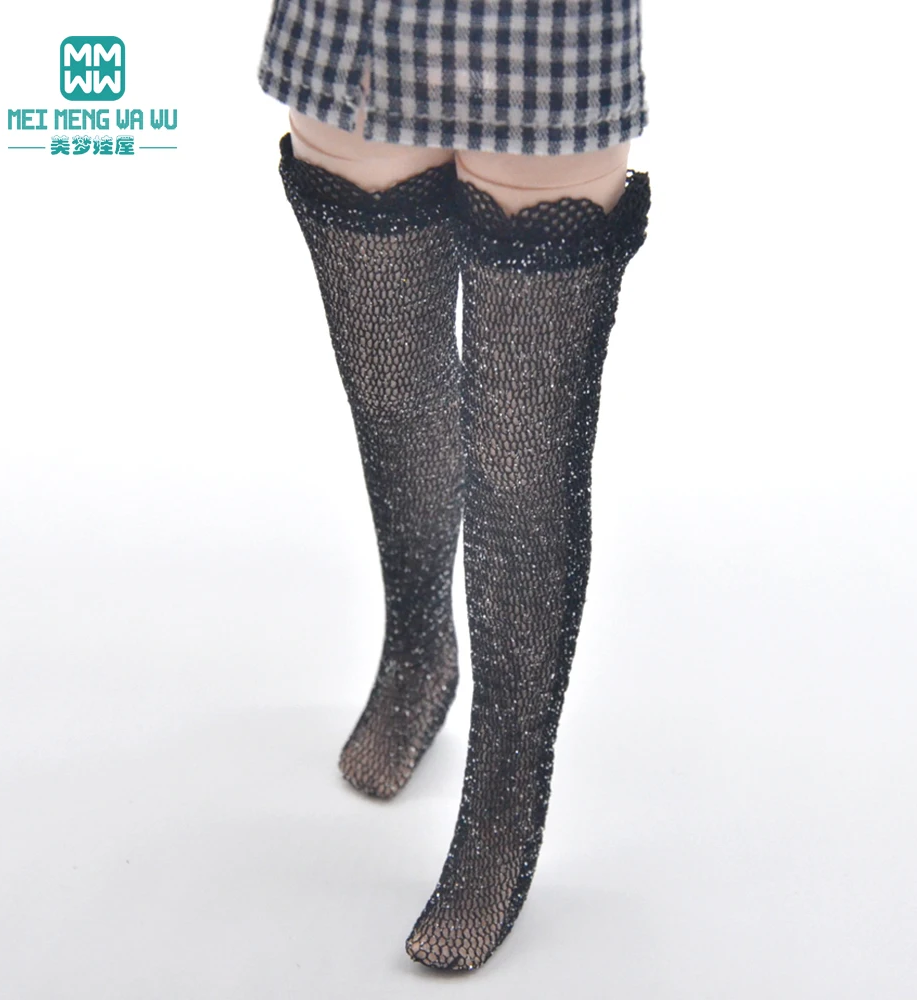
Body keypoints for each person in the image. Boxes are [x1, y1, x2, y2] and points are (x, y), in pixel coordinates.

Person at [258, 0, 651, 971]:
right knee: (392, 389)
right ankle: (420, 648)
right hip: (357, 25)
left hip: (538, 27)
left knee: (524, 462)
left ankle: (503, 803)